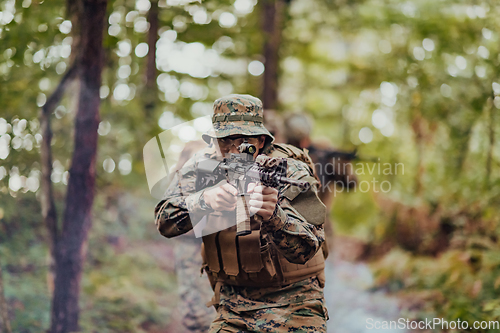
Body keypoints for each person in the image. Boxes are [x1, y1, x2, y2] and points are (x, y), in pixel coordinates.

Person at [155, 94, 328, 332]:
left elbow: (308, 248)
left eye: (244, 139)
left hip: (295, 303)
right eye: (225, 140)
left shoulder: (290, 169)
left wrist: (275, 216)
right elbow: (164, 221)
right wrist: (205, 200)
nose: (235, 148)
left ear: (260, 139)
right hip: (232, 308)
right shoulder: (201, 167)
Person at [284, 113, 357, 254]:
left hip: (319, 225)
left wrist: (342, 164)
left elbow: (351, 183)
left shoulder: (323, 151)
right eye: (296, 140)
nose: (301, 144)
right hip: (286, 224)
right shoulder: (278, 152)